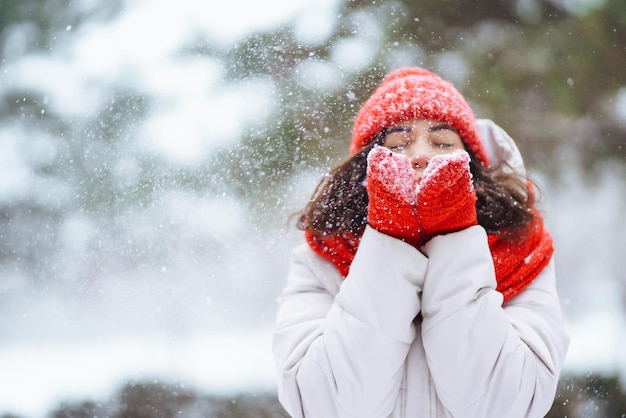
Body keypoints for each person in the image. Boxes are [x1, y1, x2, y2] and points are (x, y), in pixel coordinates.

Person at [272, 67, 569, 418]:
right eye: (397, 145)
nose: (420, 156)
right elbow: (332, 407)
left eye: (443, 142)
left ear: (473, 166)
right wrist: (390, 238)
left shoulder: (523, 253)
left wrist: (455, 234)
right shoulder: (318, 260)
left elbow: (502, 406)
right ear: (363, 168)